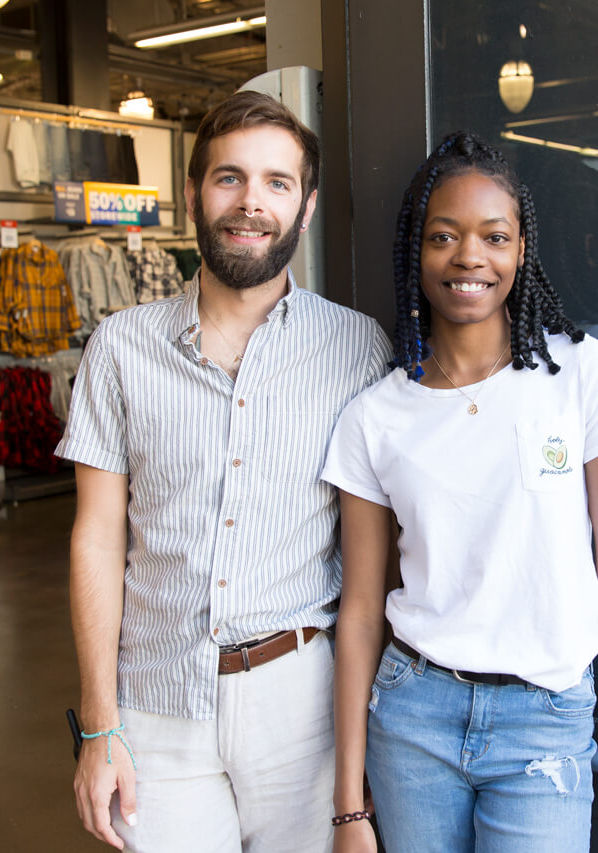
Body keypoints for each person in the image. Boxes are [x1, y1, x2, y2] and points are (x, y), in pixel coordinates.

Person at [321, 132, 598, 853]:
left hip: (545, 720)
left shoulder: (585, 376)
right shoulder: (374, 417)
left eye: (493, 236)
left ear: (521, 250)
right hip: (413, 715)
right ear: (417, 249)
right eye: (444, 235)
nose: (469, 255)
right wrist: (349, 810)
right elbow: (360, 612)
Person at [56, 90, 391, 852]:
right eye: (229, 178)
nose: (251, 203)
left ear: (304, 209)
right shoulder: (119, 346)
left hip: (301, 702)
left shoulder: (356, 349)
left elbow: (380, 548)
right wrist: (98, 726)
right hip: (156, 702)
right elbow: (96, 539)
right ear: (192, 196)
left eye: (277, 183)